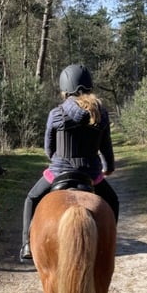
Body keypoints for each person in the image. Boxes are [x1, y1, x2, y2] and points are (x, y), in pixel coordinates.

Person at [20, 64, 119, 261]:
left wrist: (58, 160)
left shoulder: (56, 113)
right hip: (91, 175)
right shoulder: (101, 113)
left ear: (65, 88)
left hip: (58, 173)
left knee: (31, 198)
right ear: (89, 86)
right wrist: (108, 168)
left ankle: (26, 245)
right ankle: (110, 242)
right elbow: (106, 149)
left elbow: (49, 150)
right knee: (113, 200)